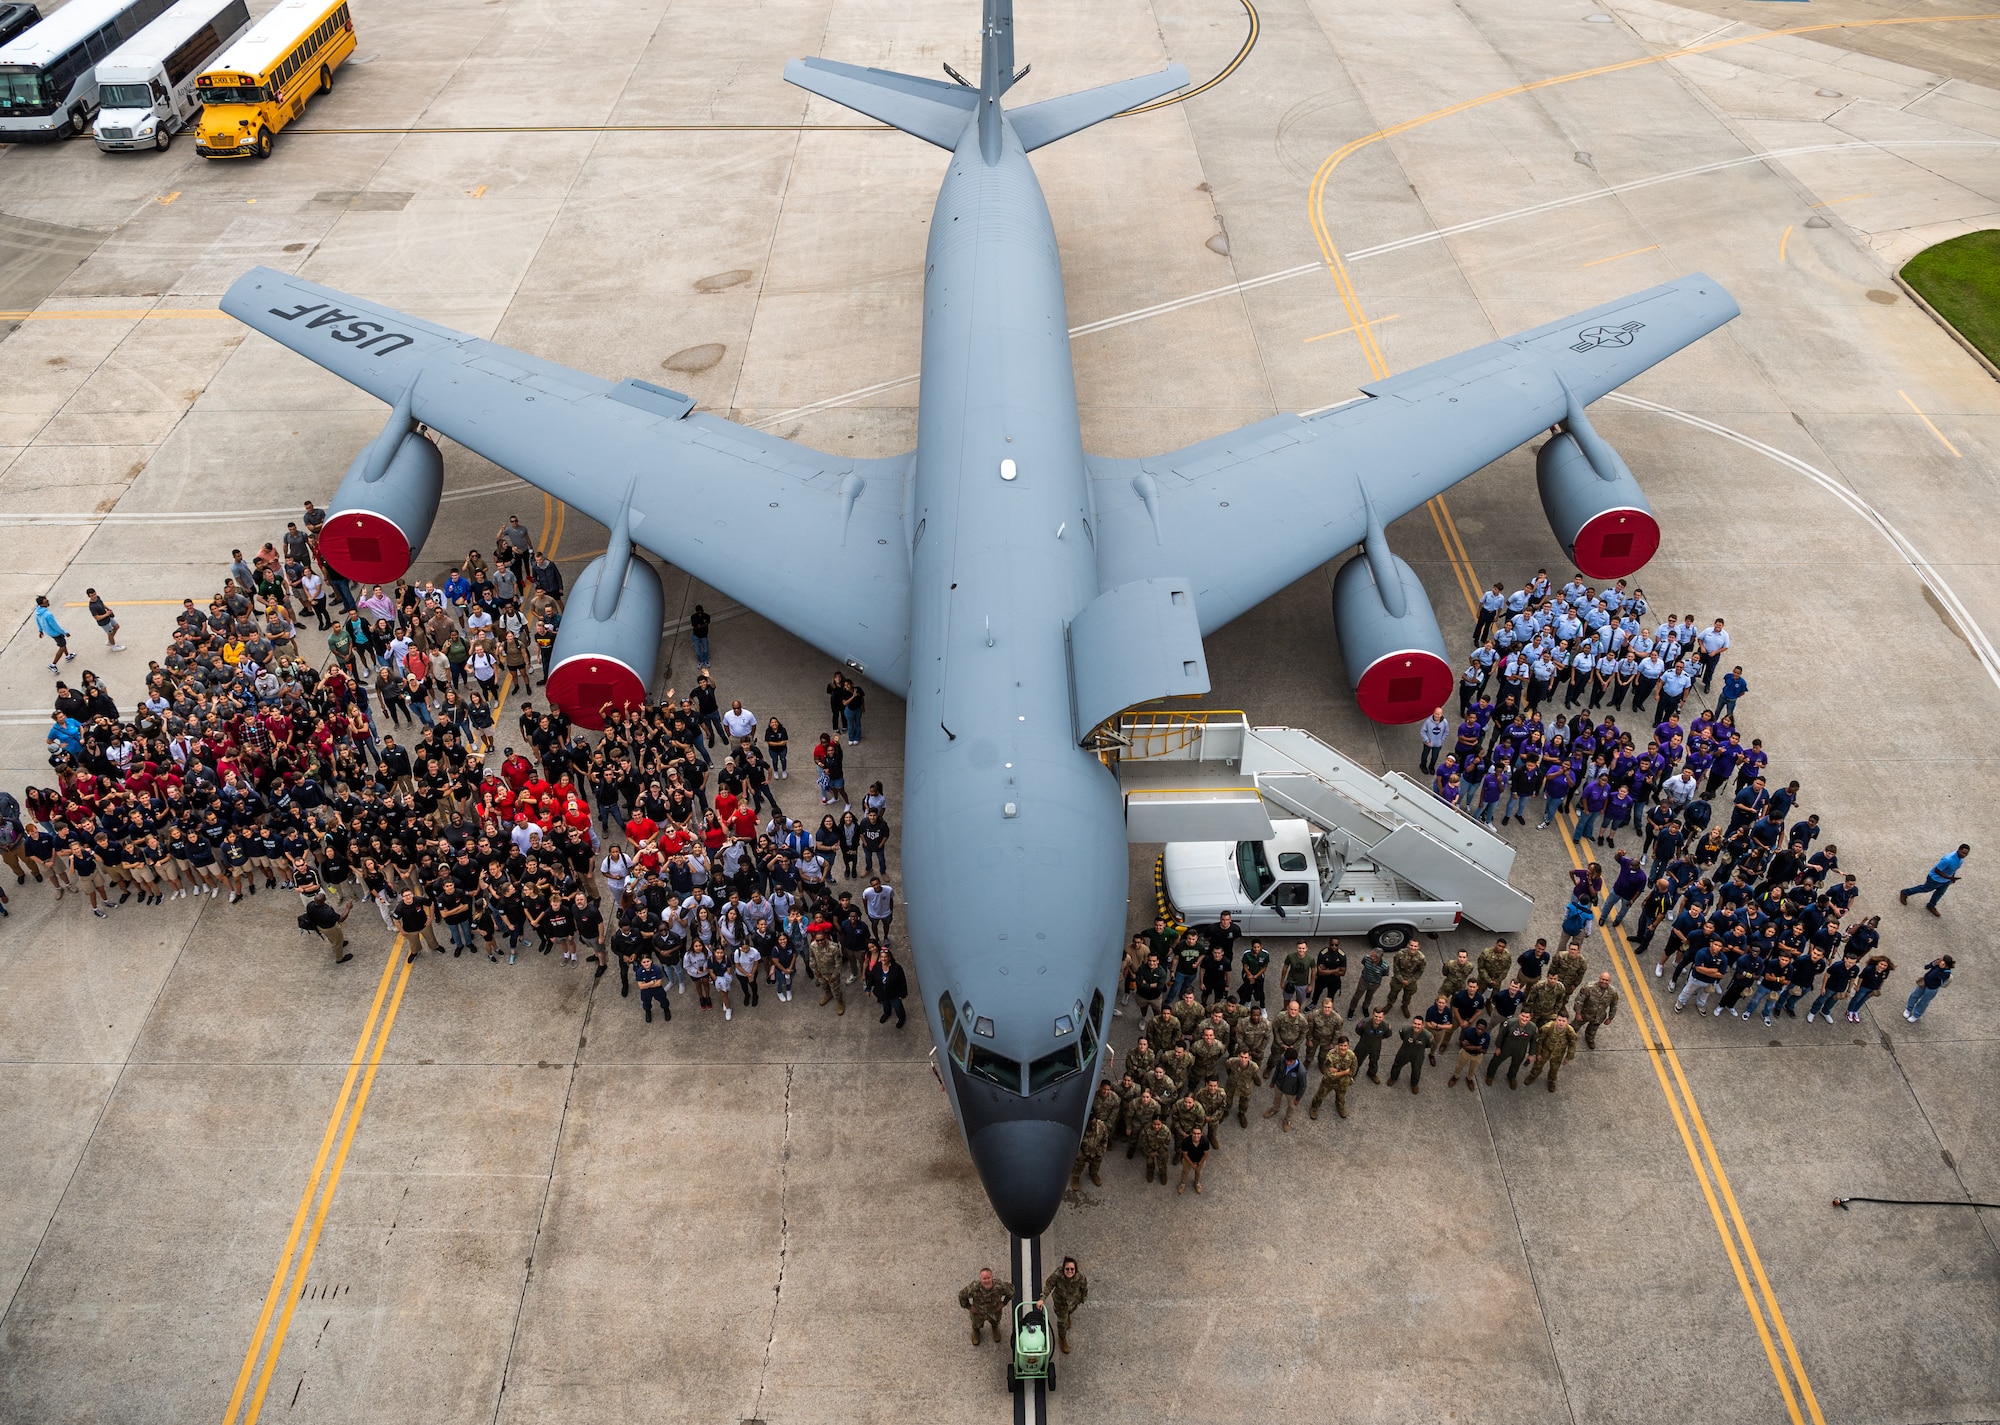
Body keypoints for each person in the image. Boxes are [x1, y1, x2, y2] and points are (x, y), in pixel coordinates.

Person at [1899, 844, 1969, 916]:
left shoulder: (1961, 860)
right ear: (1958, 850)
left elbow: (1954, 869)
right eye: (1963, 853)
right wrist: (1950, 878)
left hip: (1946, 880)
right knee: (1925, 888)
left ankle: (1931, 906)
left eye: (1966, 854)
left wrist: (1952, 878)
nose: (1964, 855)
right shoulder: (1948, 860)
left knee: (1939, 893)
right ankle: (1905, 892)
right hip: (1935, 879)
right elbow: (1937, 870)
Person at [1041, 1256, 1088, 1353]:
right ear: (1063, 1268)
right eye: (1067, 1269)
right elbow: (1049, 1285)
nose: (1070, 1271)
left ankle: (1068, 1317)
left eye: (1072, 1269)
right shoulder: (1057, 1275)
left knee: (1069, 1312)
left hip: (1073, 1302)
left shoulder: (1080, 1277)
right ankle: (1062, 1339)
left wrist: (1083, 1298)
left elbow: (1084, 1288)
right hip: (1061, 1303)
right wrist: (1042, 1299)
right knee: (1062, 1323)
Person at [958, 1268, 1012, 1346]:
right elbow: (962, 1295)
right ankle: (976, 1331)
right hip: (978, 1312)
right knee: (976, 1324)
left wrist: (1004, 1303)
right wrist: (969, 1307)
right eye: (984, 1279)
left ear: (992, 1277)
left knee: (995, 1321)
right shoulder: (974, 1288)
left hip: (995, 1311)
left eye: (988, 1278)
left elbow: (1011, 1292)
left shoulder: (1000, 1286)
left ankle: (995, 1328)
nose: (986, 1281)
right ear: (980, 1279)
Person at [1905, 956, 1955, 1022]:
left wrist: (1939, 968)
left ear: (1945, 964)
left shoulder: (1946, 973)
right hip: (1924, 982)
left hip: (1932, 988)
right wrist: (1933, 964)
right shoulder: (1938, 962)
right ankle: (1909, 1009)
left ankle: (1916, 1015)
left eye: (1941, 960)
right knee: (1914, 995)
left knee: (1923, 1002)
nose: (1939, 960)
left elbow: (1933, 976)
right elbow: (1926, 967)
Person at [32, 595, 74, 671]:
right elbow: (55, 626)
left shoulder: (38, 612)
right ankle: (53, 664)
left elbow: (37, 621)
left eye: (47, 600)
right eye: (46, 602)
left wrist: (40, 630)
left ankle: (68, 656)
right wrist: (65, 632)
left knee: (63, 644)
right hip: (55, 633)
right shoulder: (48, 614)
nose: (48, 602)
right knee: (62, 647)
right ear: (41, 604)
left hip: (49, 632)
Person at [1176, 1124, 1210, 1196]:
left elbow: (1206, 1154)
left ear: (1201, 1134)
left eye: (1198, 1133)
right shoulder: (1186, 1141)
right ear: (1191, 1133)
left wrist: (1199, 1163)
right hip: (1188, 1161)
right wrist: (1191, 1164)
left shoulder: (1205, 1141)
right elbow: (1185, 1154)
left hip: (1200, 1161)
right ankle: (1182, 1184)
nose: (1196, 1135)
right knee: (1185, 1172)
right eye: (1194, 1133)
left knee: (1199, 1172)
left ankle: (1197, 1183)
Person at [635, 953, 670, 1023]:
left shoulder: (656, 969)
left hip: (657, 990)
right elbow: (641, 986)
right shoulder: (639, 972)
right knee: (646, 1002)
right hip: (646, 992)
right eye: (644, 962)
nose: (646, 963)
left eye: (648, 961)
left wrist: (646, 985)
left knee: (663, 1000)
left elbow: (659, 983)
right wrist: (651, 983)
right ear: (641, 963)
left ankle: (666, 1010)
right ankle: (648, 1012)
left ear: (651, 961)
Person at [689, 604, 712, 668]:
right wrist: (698, 626)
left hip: (704, 635)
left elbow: (706, 623)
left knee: (705, 649)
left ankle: (706, 660)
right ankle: (701, 661)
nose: (699, 613)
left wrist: (701, 626)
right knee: (697, 649)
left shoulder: (706, 616)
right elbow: (694, 625)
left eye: (700, 612)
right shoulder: (693, 617)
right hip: (696, 635)